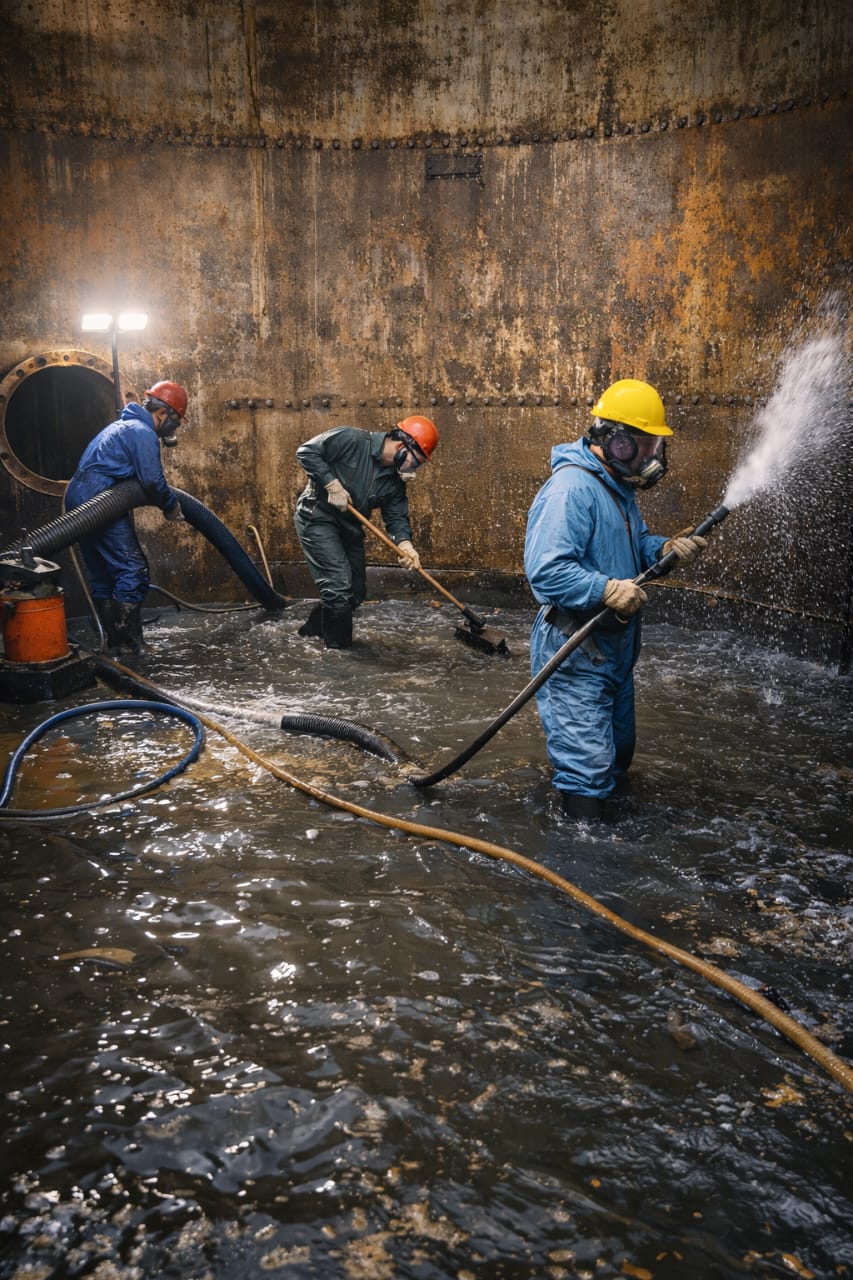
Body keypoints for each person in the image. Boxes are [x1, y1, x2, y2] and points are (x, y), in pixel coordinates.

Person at [523, 378, 707, 821]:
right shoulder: (572, 490)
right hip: (576, 649)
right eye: (647, 447)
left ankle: (611, 829)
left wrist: (662, 549)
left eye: (657, 447)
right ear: (618, 443)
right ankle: (580, 850)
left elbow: (632, 543)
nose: (653, 458)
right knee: (587, 770)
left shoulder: (617, 488)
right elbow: (546, 571)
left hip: (613, 651)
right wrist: (605, 589)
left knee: (618, 754)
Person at [65, 380, 188, 654]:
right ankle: (131, 643)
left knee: (103, 574)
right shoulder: (142, 432)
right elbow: (153, 481)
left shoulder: (120, 427)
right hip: (101, 501)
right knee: (133, 570)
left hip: (80, 499)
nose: (175, 428)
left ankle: (113, 644)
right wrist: (171, 507)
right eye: (176, 421)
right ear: (163, 413)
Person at [294, 415, 439, 648]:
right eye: (415, 463)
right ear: (401, 446)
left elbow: (396, 517)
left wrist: (405, 544)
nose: (413, 470)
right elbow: (306, 452)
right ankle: (339, 656)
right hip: (318, 518)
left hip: (350, 526)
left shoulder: (394, 482)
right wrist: (331, 484)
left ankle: (310, 635)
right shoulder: (352, 439)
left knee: (355, 592)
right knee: (338, 587)